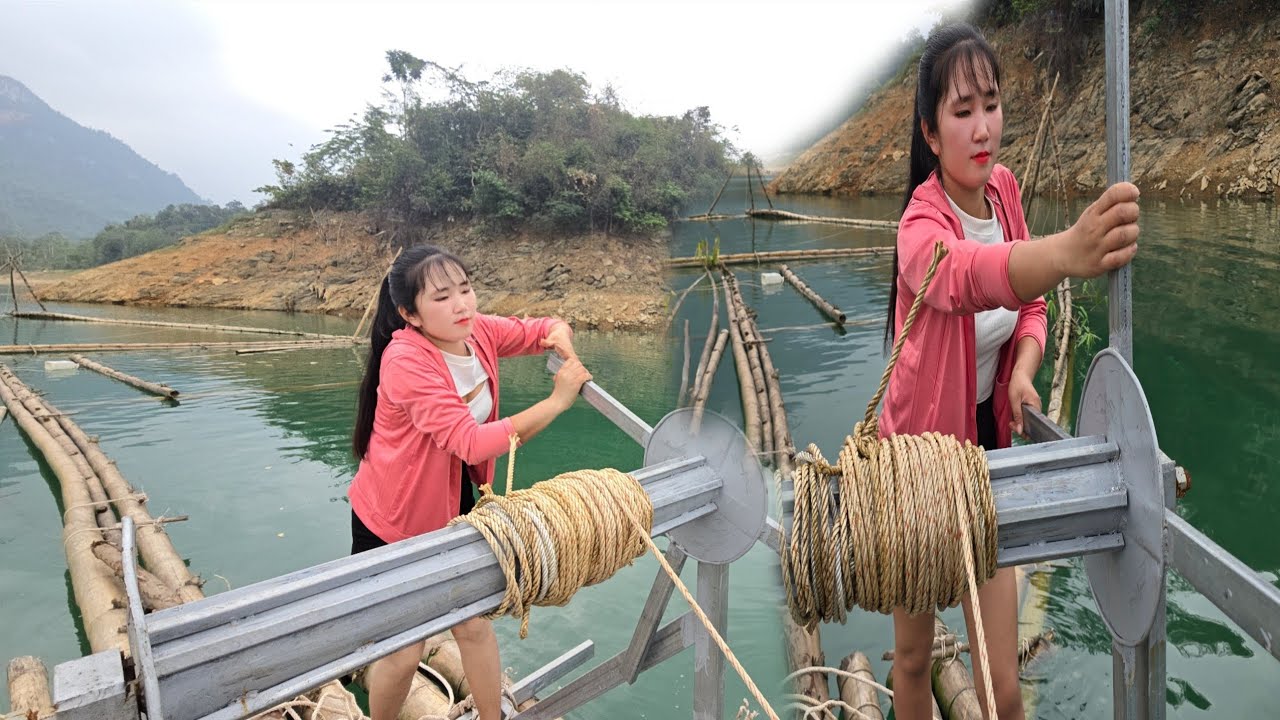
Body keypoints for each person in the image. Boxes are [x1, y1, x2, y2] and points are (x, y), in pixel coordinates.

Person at [879, 22, 1140, 720]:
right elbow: (970, 277)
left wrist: (1024, 370)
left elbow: (1026, 307)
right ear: (931, 134)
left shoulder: (1004, 193)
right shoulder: (919, 228)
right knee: (910, 660)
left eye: (989, 105)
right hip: (916, 467)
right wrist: (1067, 251)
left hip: (988, 455)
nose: (981, 127)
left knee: (1004, 685)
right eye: (961, 113)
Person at [349, 245, 591, 720]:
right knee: (403, 651)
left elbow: (539, 328)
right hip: (394, 521)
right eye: (442, 297)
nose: (462, 304)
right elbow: (471, 442)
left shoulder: (475, 333)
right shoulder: (406, 361)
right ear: (409, 314)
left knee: (474, 627)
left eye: (465, 289)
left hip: (458, 508)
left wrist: (562, 337)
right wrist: (558, 401)